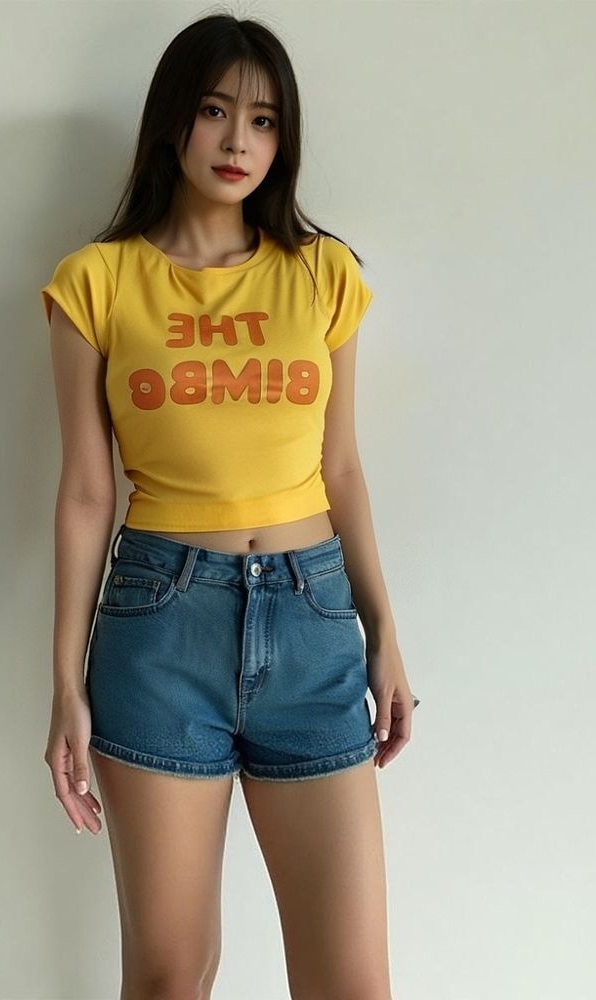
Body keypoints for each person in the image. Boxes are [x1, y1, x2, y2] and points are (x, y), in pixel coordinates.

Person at [40, 12, 417, 1000]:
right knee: (170, 978)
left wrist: (384, 633)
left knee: (352, 984)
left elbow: (343, 469)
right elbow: (86, 492)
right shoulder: (96, 282)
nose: (238, 140)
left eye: (263, 120)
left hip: (313, 623)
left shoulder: (322, 273)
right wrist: (65, 683)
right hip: (160, 626)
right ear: (173, 121)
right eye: (214, 112)